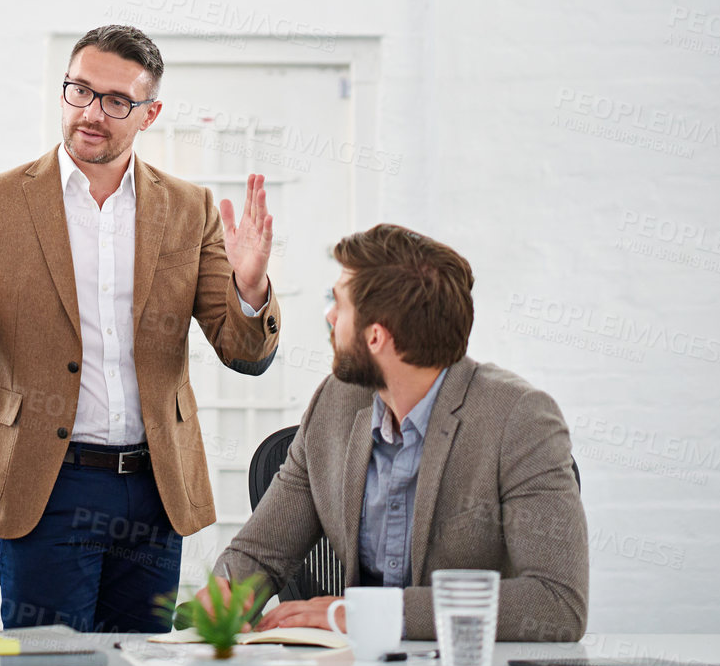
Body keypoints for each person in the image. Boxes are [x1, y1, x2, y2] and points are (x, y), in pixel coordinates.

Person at [0, 23, 283, 633]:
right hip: (45, 485)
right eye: (80, 91)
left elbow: (244, 354)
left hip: (154, 488)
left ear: (148, 113)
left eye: (116, 101)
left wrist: (251, 288)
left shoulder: (191, 209)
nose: (92, 113)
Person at [206, 223, 588, 641]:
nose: (330, 317)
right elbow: (262, 551)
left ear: (375, 336)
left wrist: (375, 614)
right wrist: (223, 595)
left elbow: (556, 605)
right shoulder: (335, 403)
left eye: (340, 304)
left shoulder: (520, 419)